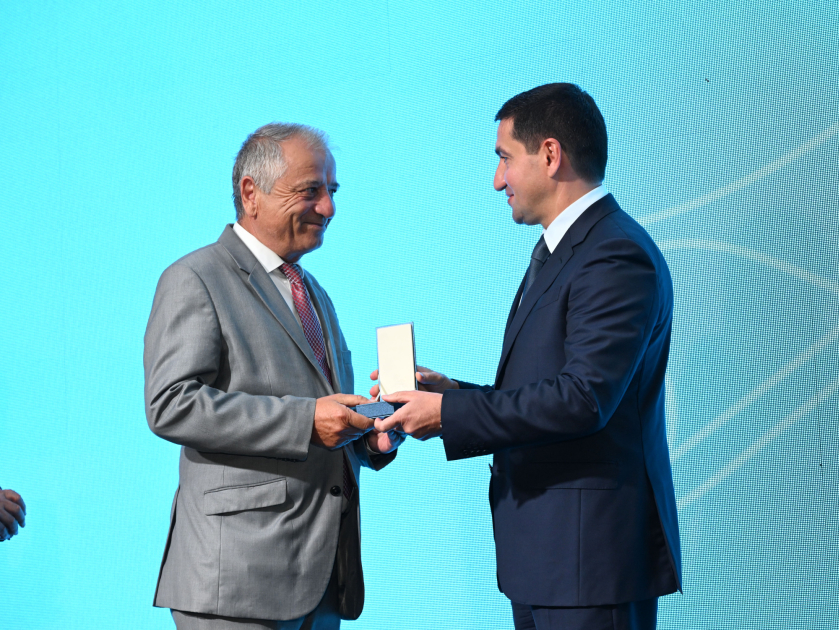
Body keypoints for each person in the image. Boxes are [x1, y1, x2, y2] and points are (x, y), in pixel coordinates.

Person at [373, 83, 682, 630]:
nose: (498, 180)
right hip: (550, 561)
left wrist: (449, 415)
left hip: (590, 565)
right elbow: (548, 387)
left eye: (504, 158)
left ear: (550, 154)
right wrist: (453, 396)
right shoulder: (566, 250)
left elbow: (583, 398)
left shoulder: (613, 254)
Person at [144, 123, 402, 630]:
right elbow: (171, 403)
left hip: (322, 577)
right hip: (237, 581)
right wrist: (306, 422)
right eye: (311, 191)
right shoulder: (194, 278)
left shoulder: (313, 293)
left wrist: (371, 437)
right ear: (250, 193)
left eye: (332, 190)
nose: (329, 207)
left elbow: (326, 417)